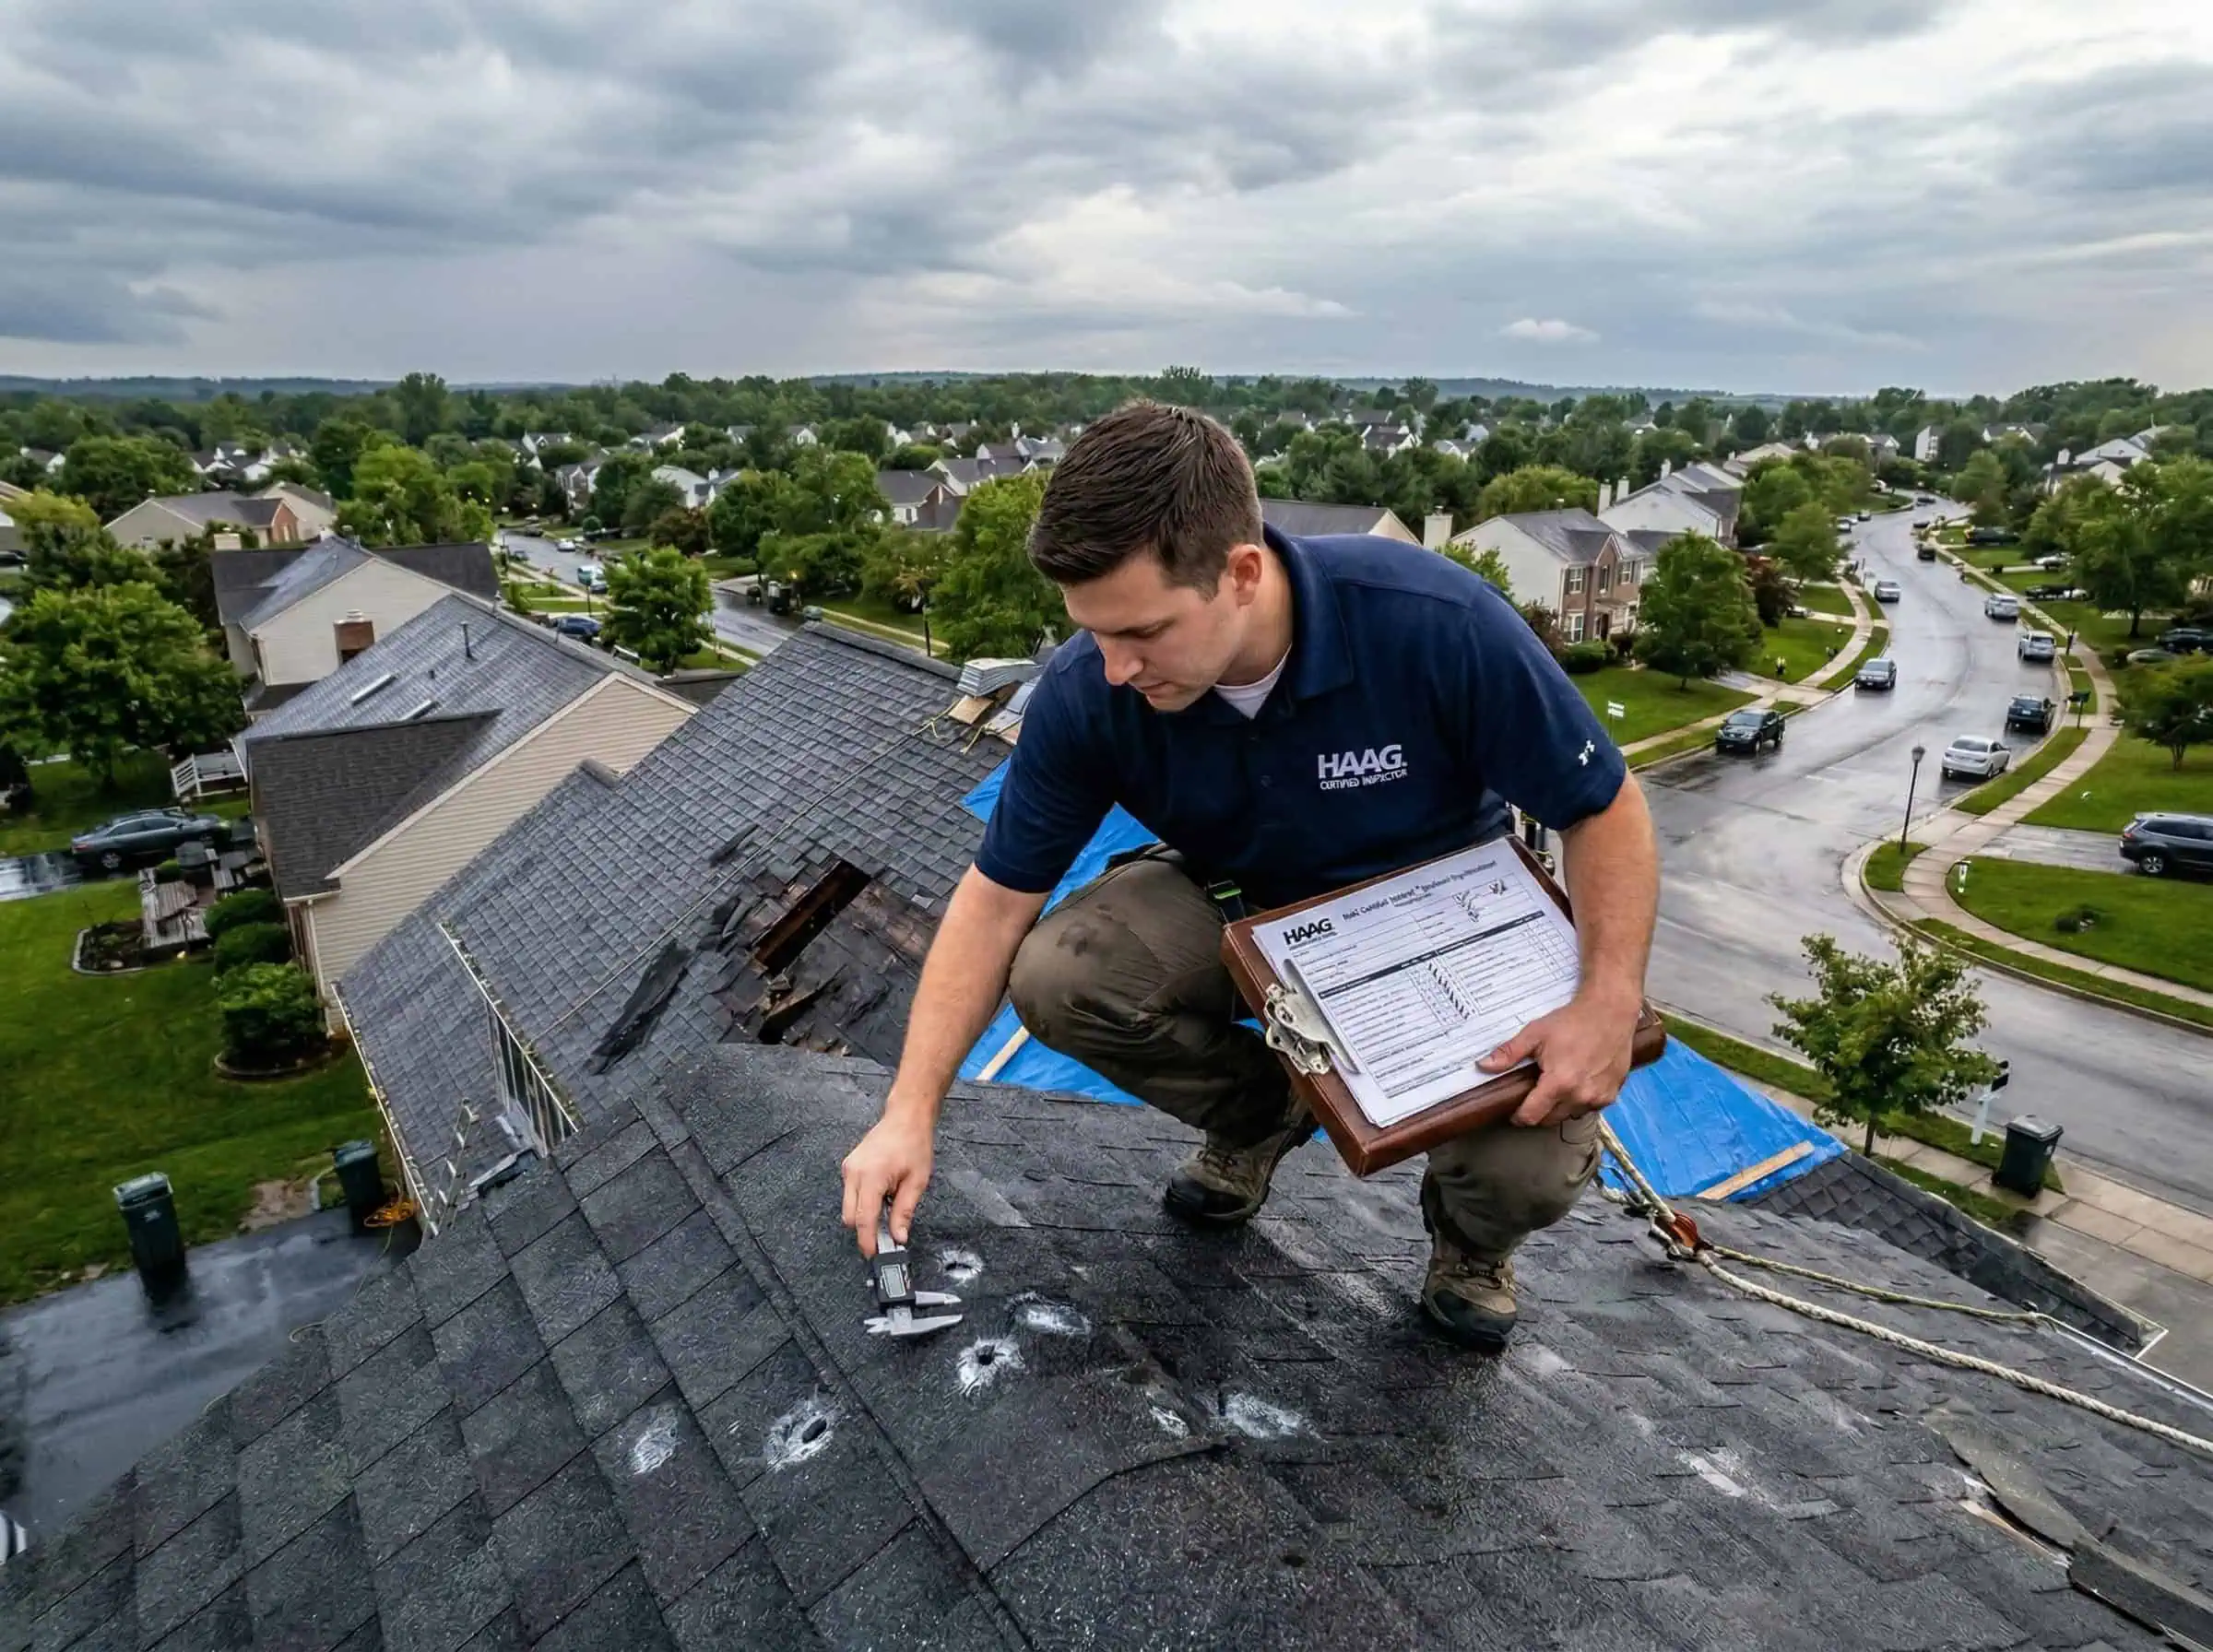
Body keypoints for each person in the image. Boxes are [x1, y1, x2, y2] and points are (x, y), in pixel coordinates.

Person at [839, 403, 1659, 1351]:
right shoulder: (1092, 688)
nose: (1114, 669)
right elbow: (992, 904)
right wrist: (908, 1110)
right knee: (1063, 973)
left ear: (1241, 572)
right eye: (1093, 634)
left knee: (1528, 1170)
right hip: (1252, 901)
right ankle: (1264, 1113)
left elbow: (1606, 808)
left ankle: (1470, 1244)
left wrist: (1606, 1002)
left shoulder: (1434, 624)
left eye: (1143, 631)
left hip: (1447, 924)